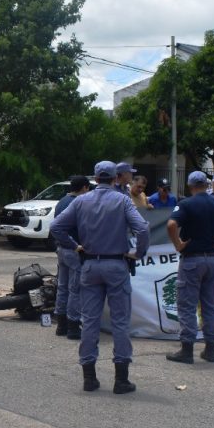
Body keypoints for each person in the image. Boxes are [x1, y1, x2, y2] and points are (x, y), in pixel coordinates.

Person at [51, 160, 150, 394]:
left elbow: (56, 227)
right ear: (116, 178)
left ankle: (89, 377)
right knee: (120, 322)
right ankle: (121, 380)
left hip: (90, 265)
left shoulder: (81, 201)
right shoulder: (122, 200)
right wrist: (139, 254)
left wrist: (76, 246)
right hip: (116, 265)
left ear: (95, 179)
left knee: (91, 321)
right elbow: (143, 229)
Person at [165, 171, 214, 364]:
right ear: (206, 184)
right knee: (210, 307)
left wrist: (178, 244)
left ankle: (187, 349)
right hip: (212, 260)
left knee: (187, 305)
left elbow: (171, 224)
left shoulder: (186, 204)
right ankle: (210, 350)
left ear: (190, 185)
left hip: (192, 260)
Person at [51, 175, 91, 338]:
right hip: (75, 250)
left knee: (63, 287)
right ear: (84, 188)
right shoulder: (78, 203)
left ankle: (61, 325)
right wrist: (77, 245)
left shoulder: (62, 201)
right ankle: (73, 327)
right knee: (75, 289)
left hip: (61, 249)